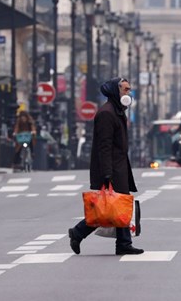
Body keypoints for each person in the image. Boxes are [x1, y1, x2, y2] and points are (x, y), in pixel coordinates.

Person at [68, 77, 144, 255]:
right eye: (125, 89)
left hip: (118, 166)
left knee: (118, 206)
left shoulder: (117, 111)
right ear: (115, 91)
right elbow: (104, 146)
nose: (128, 93)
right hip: (111, 168)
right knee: (112, 206)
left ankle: (122, 243)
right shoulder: (107, 113)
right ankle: (80, 233)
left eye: (129, 89)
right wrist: (107, 173)